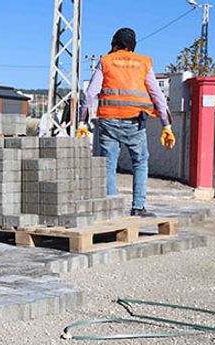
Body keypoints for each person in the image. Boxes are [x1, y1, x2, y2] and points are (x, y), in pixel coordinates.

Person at [78, 27, 176, 217]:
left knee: (108, 165)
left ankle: (111, 211)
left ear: (114, 44)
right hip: (135, 123)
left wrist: (82, 121)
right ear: (132, 46)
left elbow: (90, 94)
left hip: (108, 122)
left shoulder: (105, 61)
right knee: (140, 162)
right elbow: (158, 95)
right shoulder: (144, 63)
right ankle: (138, 207)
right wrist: (166, 125)